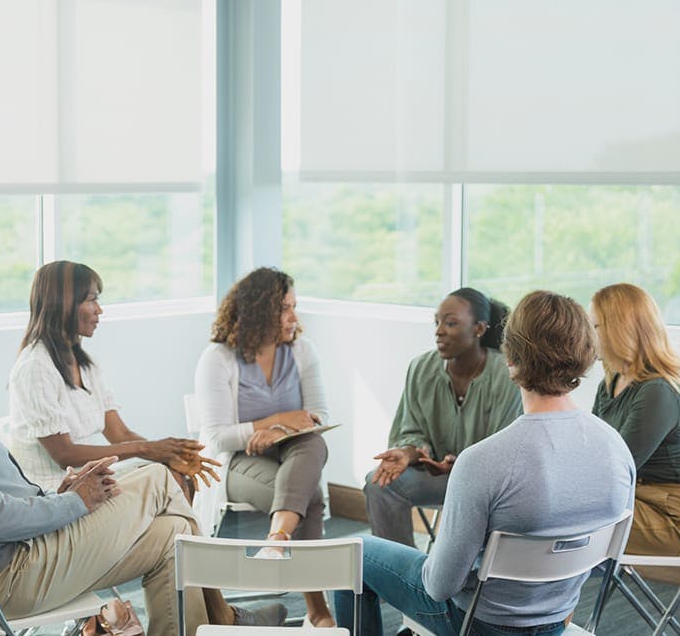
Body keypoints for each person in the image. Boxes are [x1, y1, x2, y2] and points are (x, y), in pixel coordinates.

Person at [0, 276, 208, 636]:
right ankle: (222, 621)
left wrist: (57, 497)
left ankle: (212, 624)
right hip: (8, 579)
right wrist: (74, 502)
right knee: (159, 477)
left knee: (172, 534)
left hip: (11, 564)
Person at [336, 290, 636, 636]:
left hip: (476, 624)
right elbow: (603, 565)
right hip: (556, 620)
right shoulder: (616, 449)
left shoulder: (483, 461)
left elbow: (439, 587)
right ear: (586, 354)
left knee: (352, 553)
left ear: (510, 358)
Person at [7, 260, 285, 627]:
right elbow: (65, 455)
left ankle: (216, 620)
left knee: (178, 522)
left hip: (88, 490)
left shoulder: (84, 365)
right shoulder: (34, 369)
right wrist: (150, 452)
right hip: (60, 504)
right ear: (64, 303)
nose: (99, 310)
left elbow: (120, 436)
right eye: (91, 299)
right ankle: (224, 616)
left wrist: (172, 454)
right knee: (170, 488)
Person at [194, 266, 334, 628]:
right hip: (237, 461)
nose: (294, 317)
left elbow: (316, 417)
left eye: (294, 306)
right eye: (285, 308)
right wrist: (275, 423)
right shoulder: (218, 358)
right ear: (260, 311)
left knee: (313, 444)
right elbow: (218, 436)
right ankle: (318, 612)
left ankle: (276, 539)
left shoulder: (302, 351)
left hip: (293, 451)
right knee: (310, 496)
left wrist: (278, 428)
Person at [365, 287, 522, 547]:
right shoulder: (420, 368)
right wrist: (408, 453)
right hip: (436, 476)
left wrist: (461, 464)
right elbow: (410, 430)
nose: (439, 331)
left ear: (479, 329)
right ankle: (401, 571)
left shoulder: (505, 374)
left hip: (484, 483)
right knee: (378, 483)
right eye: (437, 322)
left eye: (450, 323)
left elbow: (503, 450)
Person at [590, 282, 680, 555]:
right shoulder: (611, 381)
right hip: (636, 499)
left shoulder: (657, 391)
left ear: (619, 330)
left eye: (594, 326)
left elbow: (617, 467)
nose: (586, 335)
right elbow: (594, 450)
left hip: (674, 519)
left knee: (564, 520)